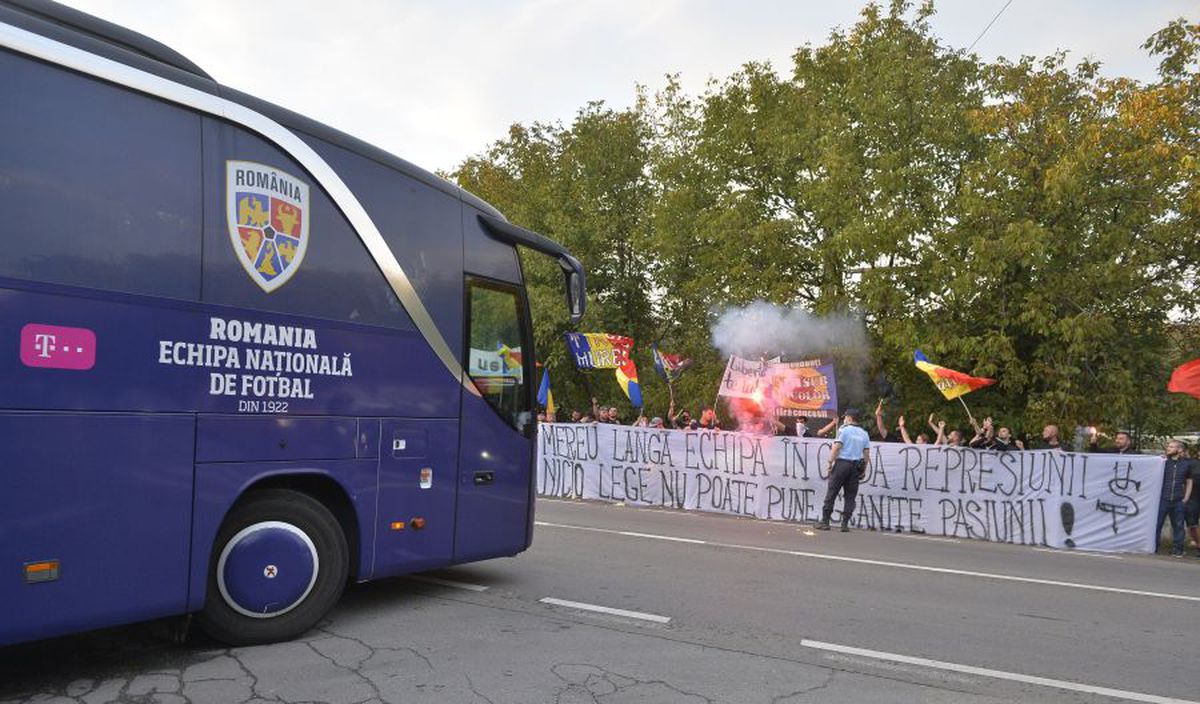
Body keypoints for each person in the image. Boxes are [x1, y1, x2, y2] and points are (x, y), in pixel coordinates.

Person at [816, 408, 871, 532]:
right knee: (850, 496)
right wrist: (864, 469)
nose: (844, 419)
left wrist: (830, 462)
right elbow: (866, 454)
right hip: (855, 467)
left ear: (850, 418)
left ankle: (825, 521)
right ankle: (845, 524)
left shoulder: (843, 430)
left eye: (845, 417)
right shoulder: (864, 433)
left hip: (842, 464)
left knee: (832, 492)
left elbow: (837, 447)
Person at [1158, 439, 1194, 557]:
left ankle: (1178, 549)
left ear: (1179, 450)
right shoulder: (1162, 461)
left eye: (1172, 447)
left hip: (1178, 500)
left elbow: (1189, 481)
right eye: (1168, 446)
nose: (1168, 448)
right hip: (1163, 498)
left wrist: (1186, 498)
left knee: (1178, 525)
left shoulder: (1186, 464)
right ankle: (1154, 546)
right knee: (1157, 524)